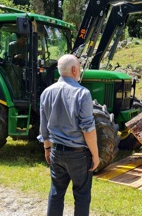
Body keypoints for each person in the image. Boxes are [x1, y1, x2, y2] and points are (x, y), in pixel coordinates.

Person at [39, 54, 100, 216]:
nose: (79, 70)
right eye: (79, 67)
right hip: (78, 155)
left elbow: (43, 126)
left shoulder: (46, 93)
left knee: (56, 193)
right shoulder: (83, 93)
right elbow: (88, 129)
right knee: (81, 195)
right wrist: (95, 155)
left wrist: (47, 148)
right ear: (74, 70)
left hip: (56, 152)